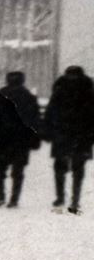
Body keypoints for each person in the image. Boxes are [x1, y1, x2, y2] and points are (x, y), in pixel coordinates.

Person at [0, 71, 45, 208]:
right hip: (21, 138)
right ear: (22, 80)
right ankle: (14, 199)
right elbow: (35, 120)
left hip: (2, 137)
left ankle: (0, 196)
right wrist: (36, 139)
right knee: (18, 170)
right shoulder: (29, 96)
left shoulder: (0, 94)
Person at [46, 64, 94, 214]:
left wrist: (47, 131)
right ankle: (75, 199)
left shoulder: (60, 89)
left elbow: (50, 112)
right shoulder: (89, 90)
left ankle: (60, 197)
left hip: (63, 134)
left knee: (60, 167)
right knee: (78, 169)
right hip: (82, 136)